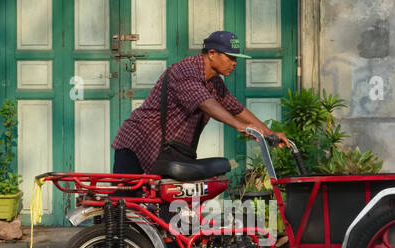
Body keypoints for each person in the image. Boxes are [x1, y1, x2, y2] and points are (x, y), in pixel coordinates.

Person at [111, 31, 286, 174]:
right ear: (211, 54)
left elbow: (236, 108)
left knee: (170, 209)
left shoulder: (214, 81)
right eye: (230, 57)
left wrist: (270, 133)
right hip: (139, 143)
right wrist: (239, 126)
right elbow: (206, 103)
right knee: (124, 206)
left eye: (236, 59)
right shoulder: (184, 71)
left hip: (168, 151)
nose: (234, 63)